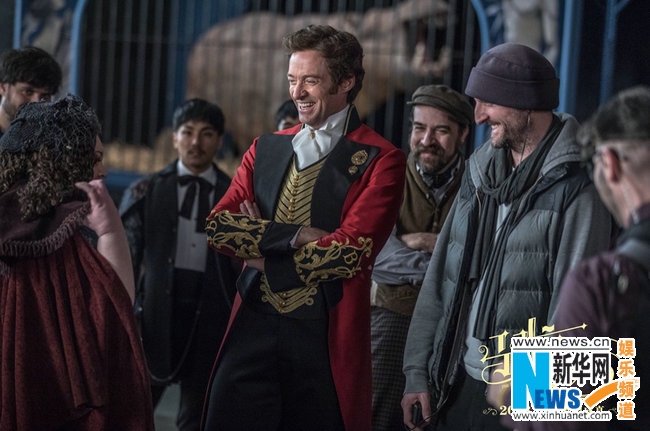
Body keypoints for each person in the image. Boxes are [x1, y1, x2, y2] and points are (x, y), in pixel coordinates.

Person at [202, 24, 406, 431]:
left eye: (310, 80)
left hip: (323, 337)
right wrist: (294, 235)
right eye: (292, 80)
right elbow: (218, 228)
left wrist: (263, 257)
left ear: (346, 82)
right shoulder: (264, 147)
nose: (297, 92)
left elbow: (348, 254)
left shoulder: (382, 159)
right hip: (252, 325)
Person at [401, 42, 612, 431]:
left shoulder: (577, 185)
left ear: (526, 104)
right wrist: (417, 372)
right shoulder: (480, 171)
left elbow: (575, 315)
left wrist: (535, 402)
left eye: (489, 103)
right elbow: (441, 278)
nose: (478, 115)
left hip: (517, 400)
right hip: (454, 381)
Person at [0, 95, 154, 430]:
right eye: (94, 159)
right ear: (65, 161)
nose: (103, 171)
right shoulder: (60, 232)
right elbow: (113, 311)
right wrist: (110, 230)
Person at [119, 98, 238, 431]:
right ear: (174, 138)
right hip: (156, 312)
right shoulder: (146, 189)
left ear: (220, 140)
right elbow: (126, 256)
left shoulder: (235, 194)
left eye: (207, 134)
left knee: (196, 413)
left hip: (211, 312)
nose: (196, 142)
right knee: (138, 403)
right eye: (187, 132)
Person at [370, 84, 473, 431]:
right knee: (378, 415)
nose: (426, 140)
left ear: (463, 133)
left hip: (455, 320)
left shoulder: (478, 183)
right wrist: (446, 258)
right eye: (419, 128)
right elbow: (375, 257)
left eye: (440, 130)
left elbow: (482, 257)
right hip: (393, 314)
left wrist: (417, 242)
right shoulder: (388, 174)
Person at [0, 46, 62, 136]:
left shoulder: (55, 137)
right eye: (28, 92)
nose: (37, 102)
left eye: (45, 95)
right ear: (3, 88)